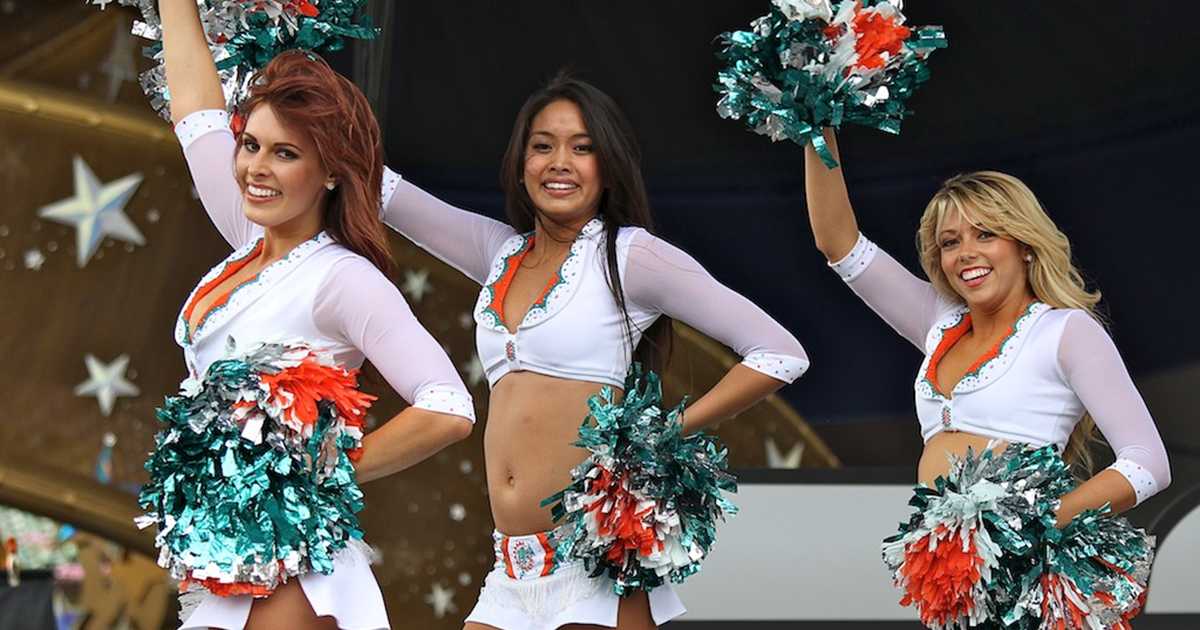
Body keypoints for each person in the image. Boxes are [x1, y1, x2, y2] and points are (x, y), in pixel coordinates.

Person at [380, 74, 810, 629]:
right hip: (509, 574)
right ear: (519, 163)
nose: (560, 161)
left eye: (582, 148)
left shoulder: (629, 256)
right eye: (543, 146)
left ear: (607, 167)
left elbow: (779, 352)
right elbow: (379, 190)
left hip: (595, 565)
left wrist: (663, 435)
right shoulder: (497, 253)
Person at [153, 2, 476, 628]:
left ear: (330, 171)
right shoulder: (247, 235)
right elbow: (195, 109)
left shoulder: (342, 278)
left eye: (286, 155)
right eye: (250, 145)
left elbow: (449, 408)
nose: (256, 169)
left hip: (297, 568)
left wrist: (314, 477)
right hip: (233, 562)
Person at [803, 129, 1170, 627]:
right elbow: (838, 244)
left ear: (1024, 245)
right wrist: (817, 124)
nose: (965, 253)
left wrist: (1029, 528)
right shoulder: (936, 320)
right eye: (950, 243)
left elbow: (1147, 463)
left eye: (986, 234)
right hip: (954, 579)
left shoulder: (1064, 331)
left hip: (1035, 575)